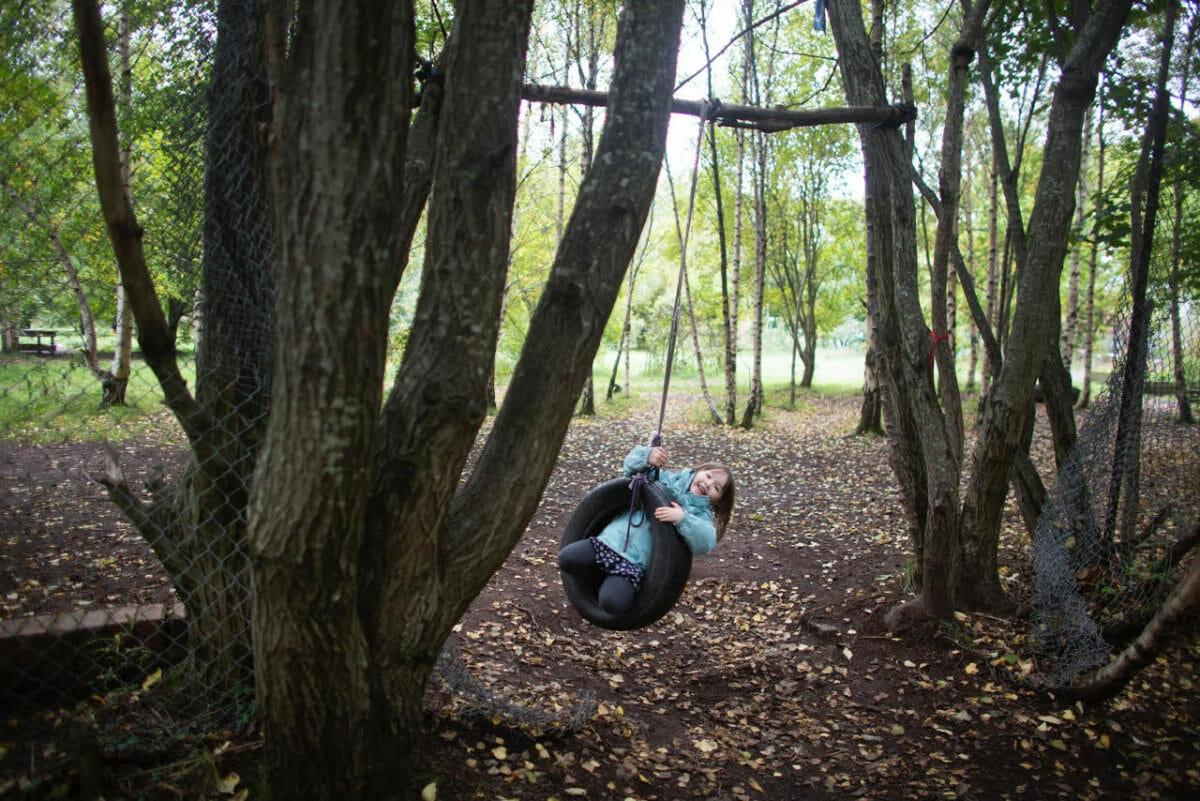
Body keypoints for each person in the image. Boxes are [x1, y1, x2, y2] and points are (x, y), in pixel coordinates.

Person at [557, 444, 736, 615]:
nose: (708, 484)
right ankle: (599, 575)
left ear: (716, 501)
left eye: (716, 488)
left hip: (633, 565)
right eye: (708, 476)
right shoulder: (664, 479)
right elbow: (630, 469)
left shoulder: (699, 517)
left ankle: (616, 583)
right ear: (698, 471)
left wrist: (682, 519)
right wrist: (647, 456)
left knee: (611, 603)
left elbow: (706, 541)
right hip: (609, 542)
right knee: (566, 559)